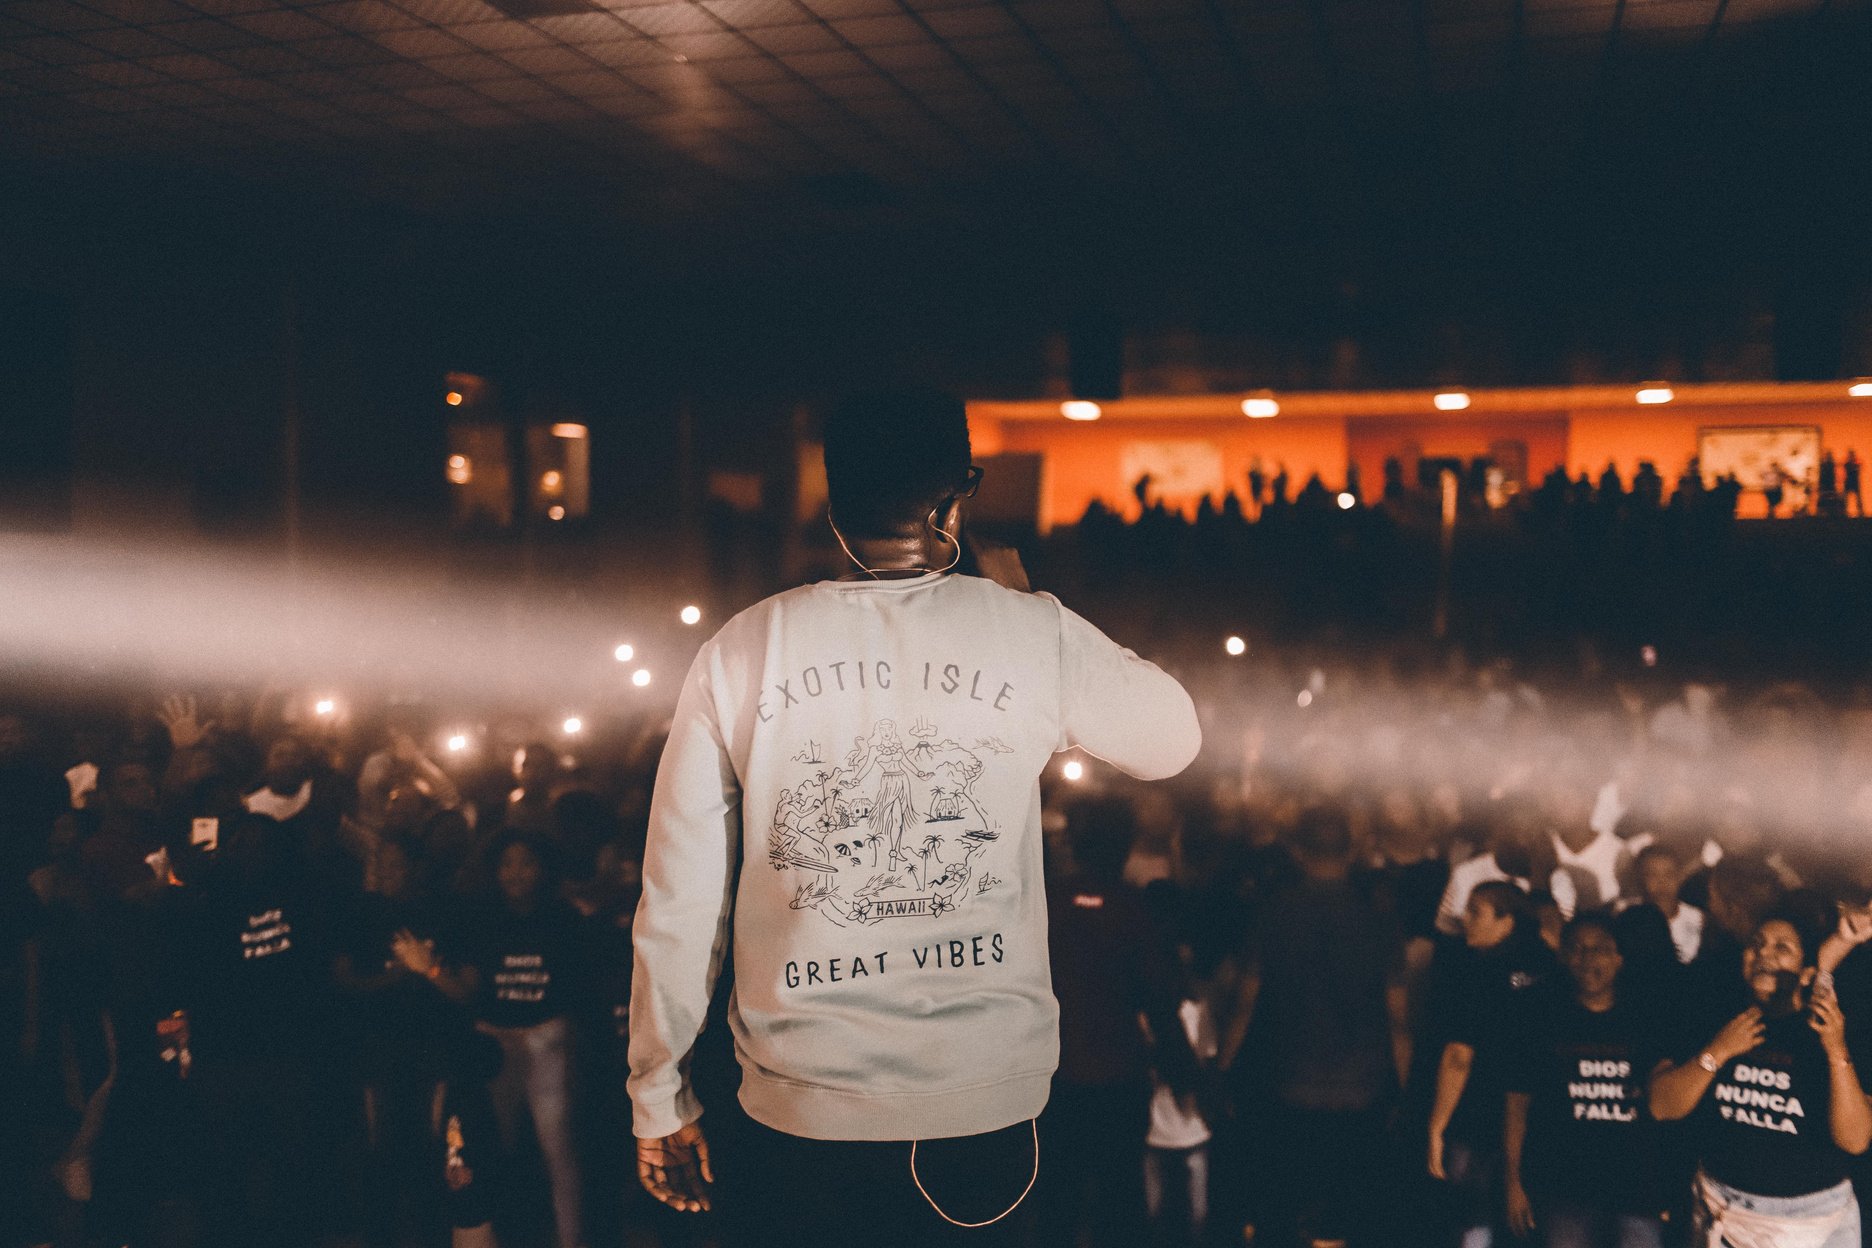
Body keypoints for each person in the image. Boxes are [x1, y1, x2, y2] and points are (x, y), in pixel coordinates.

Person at [627, 386, 1202, 1245]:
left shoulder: (745, 648)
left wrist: (658, 1093)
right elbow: (1172, 741)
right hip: (980, 1103)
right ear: (955, 496)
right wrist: (1031, 605)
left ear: (833, 505)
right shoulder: (1027, 632)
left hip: (800, 1110)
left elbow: (680, 897)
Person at [1223, 806, 1409, 1248]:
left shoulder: (1273, 914)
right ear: (1352, 851)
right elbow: (1397, 1019)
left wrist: (1222, 1070)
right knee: (1344, 1215)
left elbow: (1244, 1006)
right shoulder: (1378, 920)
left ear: (1298, 852)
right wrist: (1405, 1088)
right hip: (1361, 1088)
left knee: (1285, 1209)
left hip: (1289, 1082)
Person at [1649, 904, 1872, 1248]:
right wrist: (1717, 1052)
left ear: (1807, 973)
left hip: (1814, 1221)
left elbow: (1855, 1140)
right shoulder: (1717, 1016)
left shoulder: (1832, 1028)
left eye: (1781, 948)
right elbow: (1662, 1106)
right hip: (1722, 1210)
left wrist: (1835, 1051)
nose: (1763, 953)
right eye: (1756, 944)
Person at [1502, 913, 1667, 1248]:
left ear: (1619, 959)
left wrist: (1671, 1185)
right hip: (1565, 1187)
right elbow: (1517, 1106)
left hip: (1637, 1189)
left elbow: (1668, 1106)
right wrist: (1514, 1181)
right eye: (1577, 948)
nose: (1588, 958)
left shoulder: (1647, 1019)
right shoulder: (1541, 1019)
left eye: (1600, 949)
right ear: (1562, 957)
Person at [1428, 880, 1557, 1248]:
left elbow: (1458, 1057)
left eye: (1476, 912)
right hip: (1539, 1119)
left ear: (1507, 921)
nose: (1465, 919)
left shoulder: (1475, 974)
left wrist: (1437, 1127)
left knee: (1473, 1220)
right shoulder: (1549, 966)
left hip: (1478, 1116)